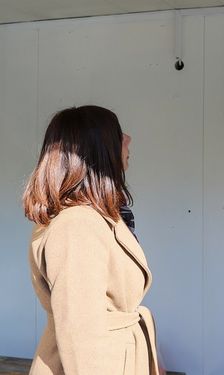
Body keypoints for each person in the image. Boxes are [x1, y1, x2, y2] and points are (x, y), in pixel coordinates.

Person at [23, 106, 159, 375]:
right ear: (97, 150)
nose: (128, 139)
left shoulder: (93, 218)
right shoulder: (77, 226)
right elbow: (80, 336)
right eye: (119, 134)